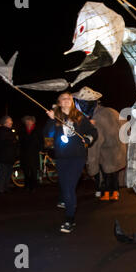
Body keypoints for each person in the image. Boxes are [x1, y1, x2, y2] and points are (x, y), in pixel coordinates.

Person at [44, 92, 98, 233]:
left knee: (68, 187)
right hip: (61, 158)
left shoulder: (79, 117)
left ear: (72, 102)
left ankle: (69, 219)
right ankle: (67, 204)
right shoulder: (55, 117)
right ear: (59, 102)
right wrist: (50, 120)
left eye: (69, 98)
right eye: (63, 98)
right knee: (65, 186)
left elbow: (93, 131)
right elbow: (47, 135)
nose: (67, 100)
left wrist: (88, 139)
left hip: (77, 157)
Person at [19, 116, 43, 193]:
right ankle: (26, 186)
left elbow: (41, 141)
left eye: (29, 121)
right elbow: (20, 142)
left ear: (33, 122)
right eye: (26, 121)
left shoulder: (37, 130)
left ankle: (33, 187)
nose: (28, 123)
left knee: (33, 171)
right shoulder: (22, 130)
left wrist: (40, 149)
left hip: (34, 153)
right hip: (24, 153)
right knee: (26, 171)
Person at [0, 116, 18, 193]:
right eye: (10, 121)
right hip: (3, 156)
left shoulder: (10, 131)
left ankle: (5, 187)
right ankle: (0, 189)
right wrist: (13, 141)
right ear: (5, 122)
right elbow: (5, 142)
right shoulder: (1, 131)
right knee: (3, 172)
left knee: (8, 172)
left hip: (10, 155)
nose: (11, 122)